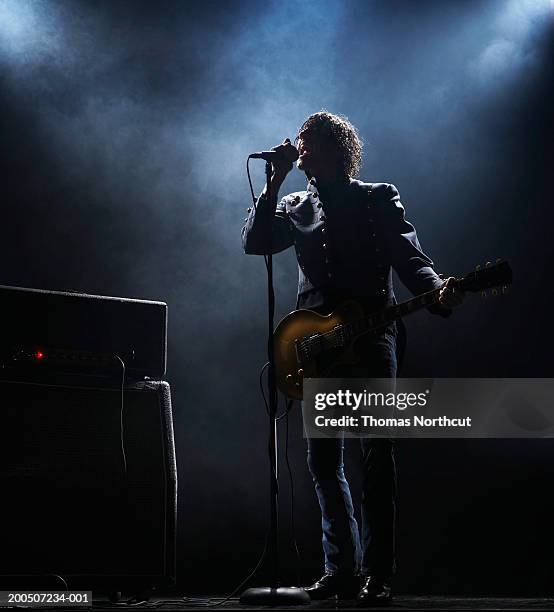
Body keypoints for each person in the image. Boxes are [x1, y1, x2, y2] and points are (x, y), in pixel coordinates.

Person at [241, 111, 464, 604]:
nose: (300, 151)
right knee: (323, 460)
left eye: (308, 143)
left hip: (372, 334)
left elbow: (411, 258)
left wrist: (437, 290)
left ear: (336, 150)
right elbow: (255, 242)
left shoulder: (376, 198)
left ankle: (377, 573)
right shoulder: (296, 204)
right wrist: (273, 184)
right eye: (299, 144)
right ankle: (339, 570)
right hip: (315, 345)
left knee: (377, 455)